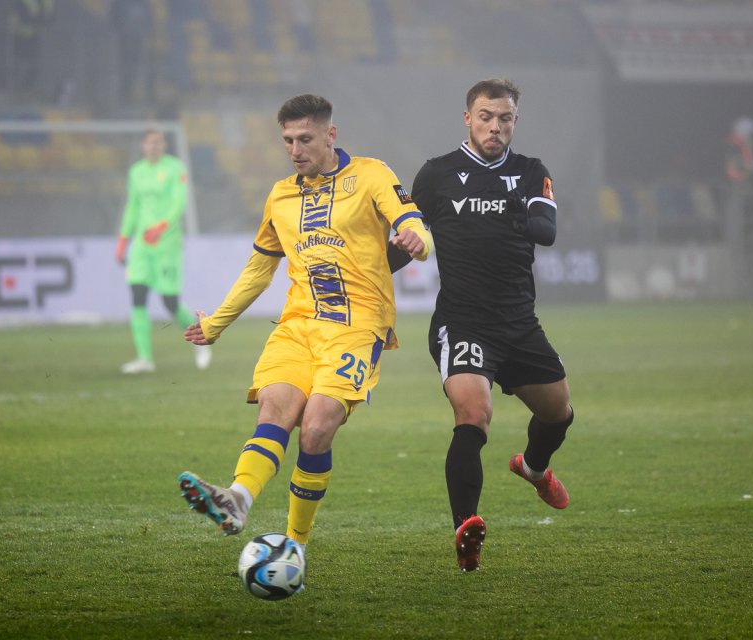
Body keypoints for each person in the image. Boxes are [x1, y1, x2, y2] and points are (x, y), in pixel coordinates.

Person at [178, 94, 432, 559]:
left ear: (330, 135)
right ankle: (237, 499)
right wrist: (215, 324)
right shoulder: (280, 196)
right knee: (274, 410)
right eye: (288, 140)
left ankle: (295, 545)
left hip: (358, 326)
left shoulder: (372, 174)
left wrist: (419, 242)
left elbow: (412, 222)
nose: (295, 150)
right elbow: (259, 271)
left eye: (305, 139)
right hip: (298, 324)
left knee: (315, 428)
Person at [411, 78, 574, 572]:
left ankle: (533, 468)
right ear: (468, 118)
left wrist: (516, 212)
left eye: (504, 119)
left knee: (558, 414)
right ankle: (466, 528)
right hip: (462, 321)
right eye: (485, 117)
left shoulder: (530, 171)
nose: (494, 127)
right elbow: (406, 239)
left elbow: (546, 230)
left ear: (515, 122)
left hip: (519, 322)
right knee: (474, 413)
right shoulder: (437, 174)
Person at [115, 129, 210, 374]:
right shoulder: (136, 172)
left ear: (164, 145)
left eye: (158, 142)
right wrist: (123, 240)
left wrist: (161, 227)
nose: (154, 146)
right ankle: (144, 359)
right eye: (150, 142)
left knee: (170, 303)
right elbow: (133, 207)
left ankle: (200, 337)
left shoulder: (175, 168)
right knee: (137, 296)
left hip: (167, 244)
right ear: (143, 145)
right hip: (142, 245)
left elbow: (179, 202)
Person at [725, 116, 753, 183]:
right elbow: (734, 163)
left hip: (745, 178)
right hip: (739, 180)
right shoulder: (735, 146)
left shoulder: (744, 144)